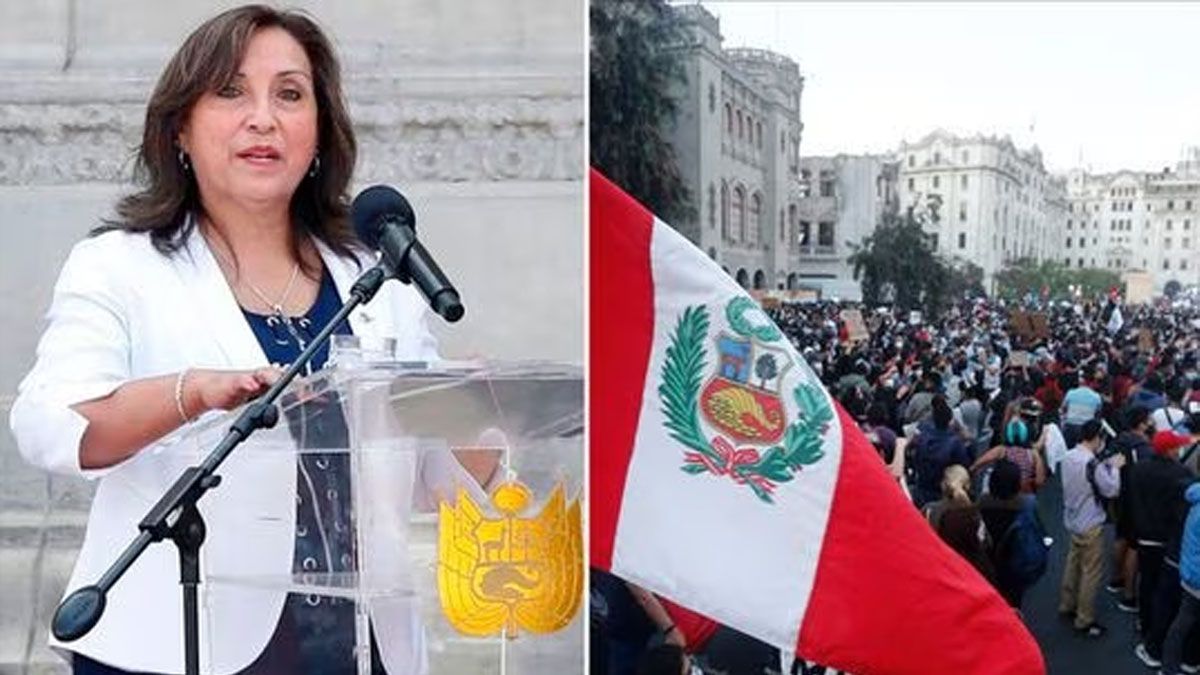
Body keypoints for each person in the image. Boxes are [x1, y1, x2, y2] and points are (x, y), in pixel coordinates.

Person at [9, 7, 488, 674]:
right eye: (231, 92)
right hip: (176, 642)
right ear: (180, 127)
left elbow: (436, 479)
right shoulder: (120, 266)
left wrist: (478, 411)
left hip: (357, 646)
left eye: (290, 94)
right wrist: (193, 393)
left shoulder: (374, 275)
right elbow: (49, 426)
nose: (263, 118)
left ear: (319, 131)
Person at [1130, 430, 1198, 670]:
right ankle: (1184, 654)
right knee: (1171, 600)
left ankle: (1147, 632)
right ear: (1170, 450)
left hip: (1145, 537)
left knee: (1149, 587)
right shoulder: (1183, 476)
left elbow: (1131, 499)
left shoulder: (1139, 469)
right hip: (1170, 543)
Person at [1058, 420, 1122, 637]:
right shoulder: (1092, 464)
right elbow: (1111, 490)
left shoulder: (1068, 456)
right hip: (1091, 522)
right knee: (1091, 572)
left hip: (1072, 518)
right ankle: (1084, 618)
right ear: (1097, 438)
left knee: (1072, 563)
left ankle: (1067, 603)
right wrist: (1115, 468)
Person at [1161, 482, 1200, 675]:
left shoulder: (1195, 500)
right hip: (1197, 576)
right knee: (1184, 623)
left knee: (1185, 622)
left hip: (1191, 572)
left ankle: (1177, 664)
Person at [909, 395, 970, 508]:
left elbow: (912, 451)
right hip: (943, 493)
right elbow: (963, 467)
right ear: (950, 420)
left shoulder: (922, 433)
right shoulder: (955, 442)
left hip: (921, 487)